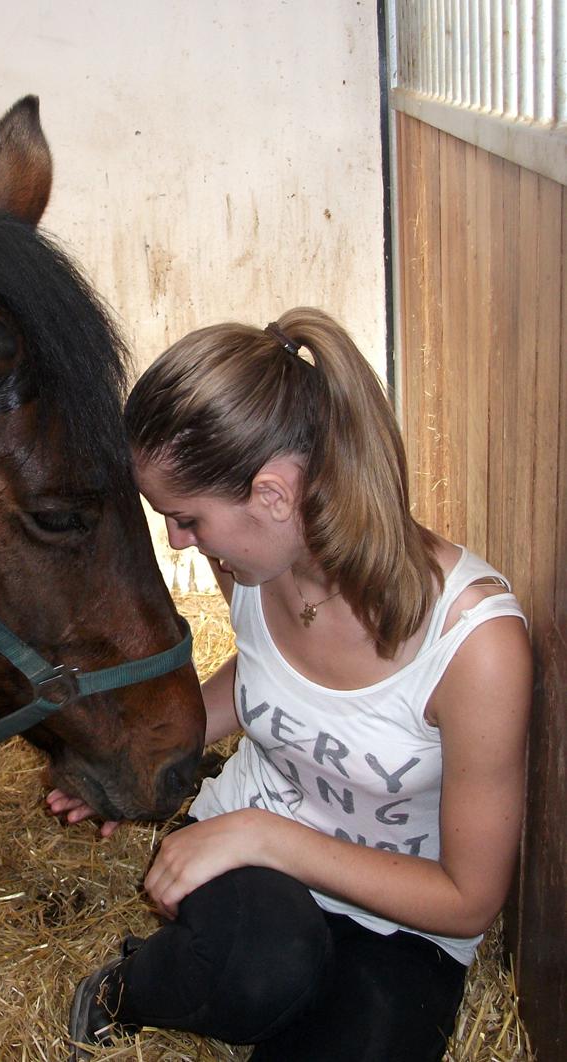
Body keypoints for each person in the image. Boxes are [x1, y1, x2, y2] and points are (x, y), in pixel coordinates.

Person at [48, 308, 532, 1062]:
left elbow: (469, 899)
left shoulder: (478, 644)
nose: (178, 542)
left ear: (272, 495)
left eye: (186, 520)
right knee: (258, 972)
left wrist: (268, 837)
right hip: (249, 861)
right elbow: (260, 675)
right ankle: (127, 985)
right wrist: (132, 757)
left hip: (404, 913)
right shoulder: (250, 558)